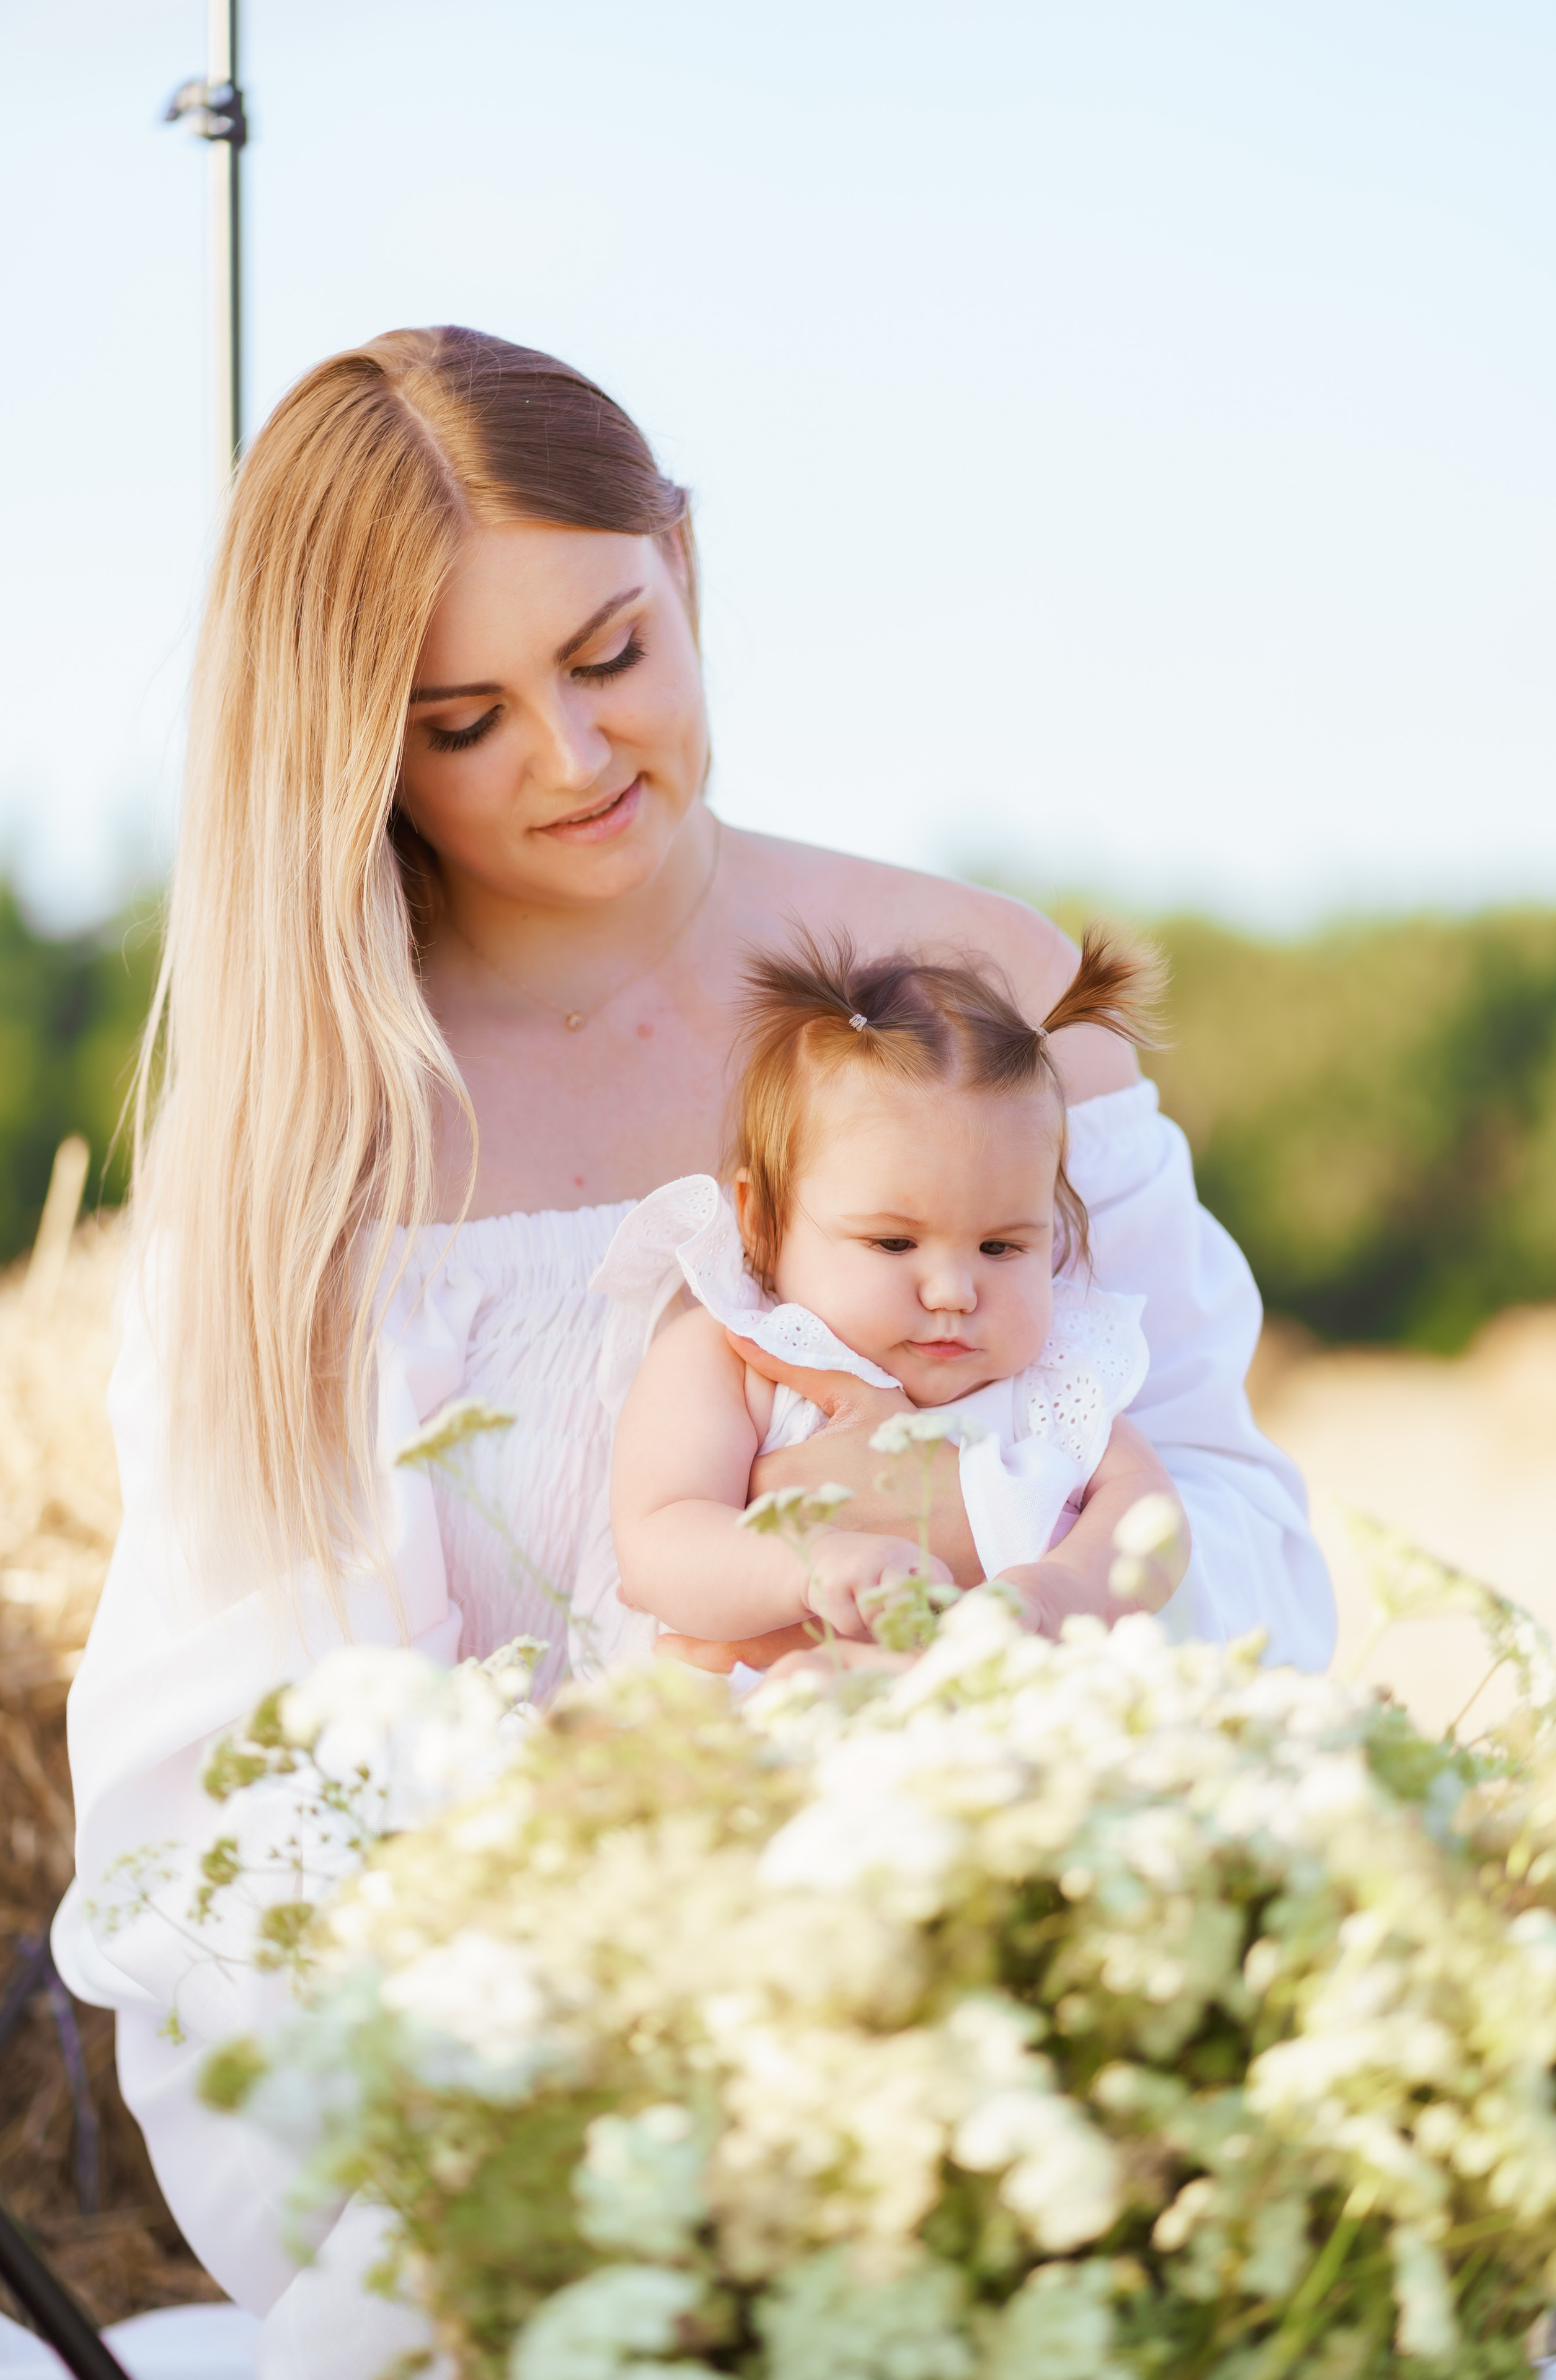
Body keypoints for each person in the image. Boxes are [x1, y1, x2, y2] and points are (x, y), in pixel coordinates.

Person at [48, 325, 1333, 2376]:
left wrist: (997, 1737)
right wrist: (567, 1982)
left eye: (614, 651)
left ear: (689, 569)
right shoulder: (309, 1141)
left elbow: (1223, 1525)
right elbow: (219, 1785)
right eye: (463, 719)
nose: (571, 757)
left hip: (992, 2029)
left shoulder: (976, 995)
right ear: (358, 745)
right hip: (526, 2110)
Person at [572, 929, 1188, 1679]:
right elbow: (659, 1539)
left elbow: (1153, 1519)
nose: (955, 1292)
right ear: (761, 1222)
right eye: (894, 1245)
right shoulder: (731, 1356)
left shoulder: (1058, 1376)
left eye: (1001, 1248)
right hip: (758, 1731)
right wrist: (813, 1563)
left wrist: (1060, 1594)